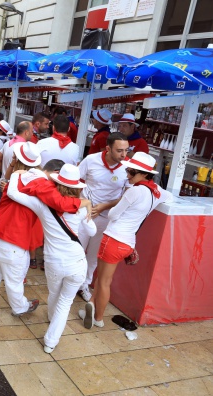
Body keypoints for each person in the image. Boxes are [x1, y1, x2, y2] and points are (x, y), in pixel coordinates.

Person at [0, 147, 85, 323]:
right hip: (14, 239)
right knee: (14, 280)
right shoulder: (42, 183)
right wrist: (84, 202)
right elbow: (62, 204)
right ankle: (20, 307)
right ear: (54, 173)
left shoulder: (18, 176)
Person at [9, 164, 96, 353]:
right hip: (77, 262)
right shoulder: (81, 208)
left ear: (55, 184)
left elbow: (13, 194)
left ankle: (51, 318)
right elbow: (93, 231)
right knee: (66, 301)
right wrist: (86, 210)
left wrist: (16, 175)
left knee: (54, 294)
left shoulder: (42, 205)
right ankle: (50, 341)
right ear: (78, 187)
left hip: (54, 261)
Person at [81, 152, 173, 330]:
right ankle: (91, 306)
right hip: (128, 244)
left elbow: (113, 215)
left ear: (144, 174)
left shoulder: (134, 192)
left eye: (132, 172)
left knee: (103, 281)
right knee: (103, 279)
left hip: (113, 240)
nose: (127, 175)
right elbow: (170, 197)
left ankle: (98, 318)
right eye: (128, 170)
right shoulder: (156, 192)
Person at [77, 133, 130, 302]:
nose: (124, 155)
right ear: (108, 149)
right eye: (119, 150)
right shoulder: (91, 160)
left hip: (106, 217)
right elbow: (76, 182)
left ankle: (84, 285)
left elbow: (127, 196)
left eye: (126, 150)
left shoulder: (127, 167)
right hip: (84, 214)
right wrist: (81, 204)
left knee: (93, 256)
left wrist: (104, 207)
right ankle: (70, 283)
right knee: (77, 250)